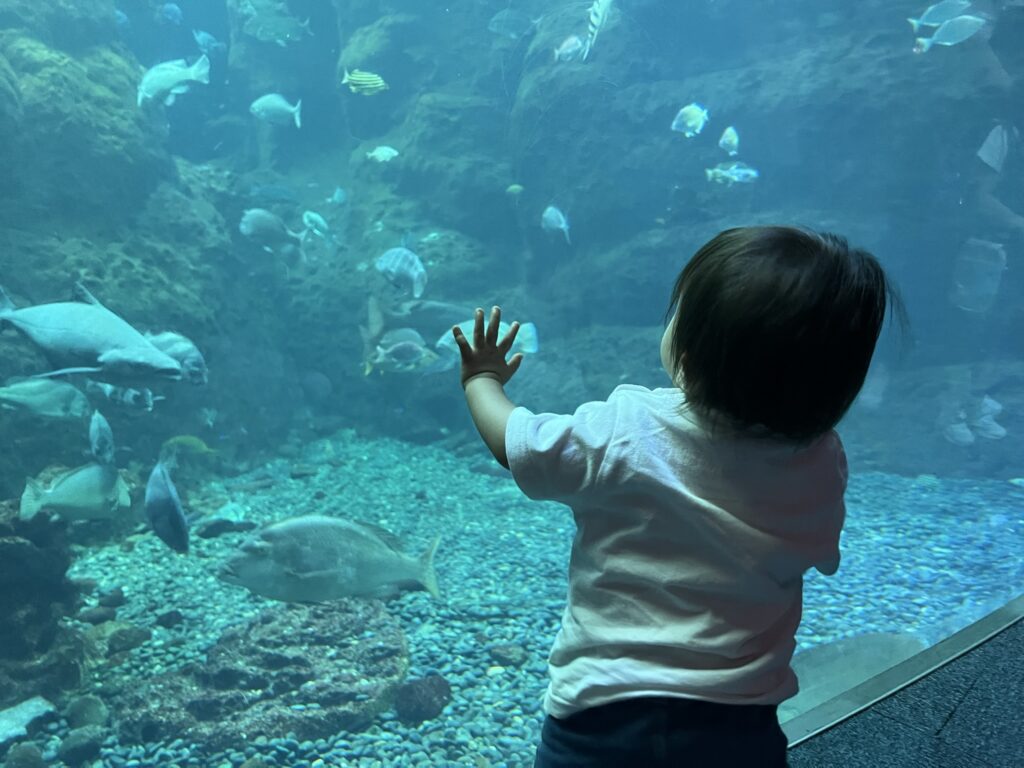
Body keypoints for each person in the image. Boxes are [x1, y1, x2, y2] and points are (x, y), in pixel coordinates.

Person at [451, 226, 905, 768]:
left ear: (685, 352)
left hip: (603, 720)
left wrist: (481, 379)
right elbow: (820, 553)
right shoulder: (819, 463)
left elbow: (515, 444)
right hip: (739, 725)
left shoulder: (626, 431)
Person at [940, 78, 1022, 446]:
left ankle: (976, 404)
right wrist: (1018, 223)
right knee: (969, 330)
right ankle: (950, 410)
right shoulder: (1004, 135)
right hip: (989, 248)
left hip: (1016, 251)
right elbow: (980, 195)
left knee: (1001, 332)